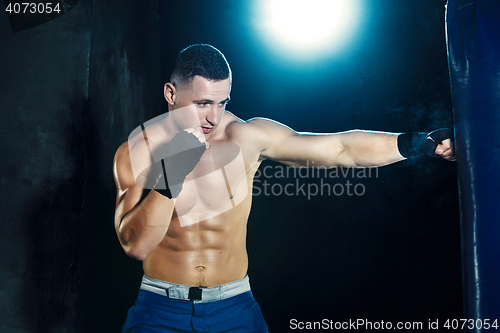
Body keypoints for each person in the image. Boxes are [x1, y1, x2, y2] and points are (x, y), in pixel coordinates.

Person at [113, 44, 455, 332]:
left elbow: (339, 149)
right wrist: (170, 177)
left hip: (233, 308)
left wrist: (416, 143)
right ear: (171, 94)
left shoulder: (245, 136)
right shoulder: (137, 150)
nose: (213, 118)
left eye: (223, 102)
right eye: (203, 103)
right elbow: (136, 246)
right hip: (159, 310)